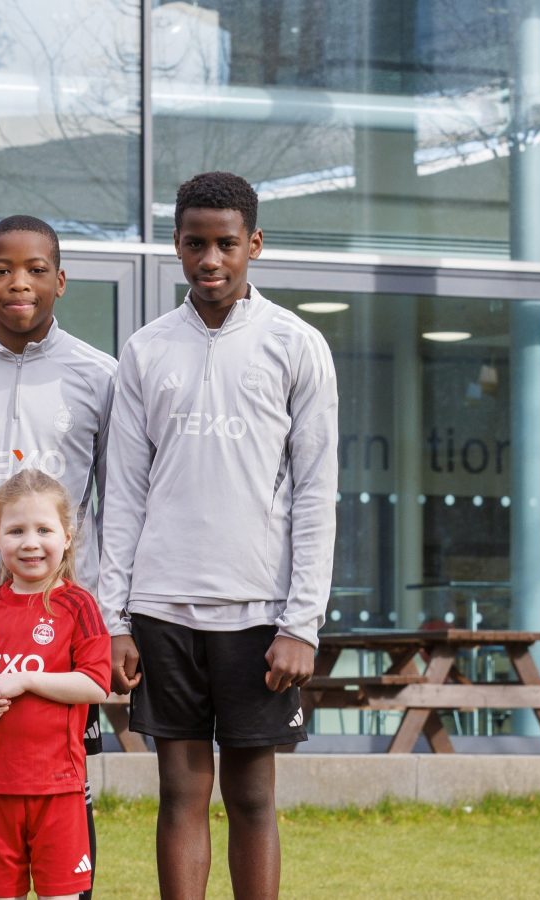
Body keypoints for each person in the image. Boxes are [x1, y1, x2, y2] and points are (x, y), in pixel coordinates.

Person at [98, 171, 338, 900]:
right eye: (196, 243)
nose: (211, 259)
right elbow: (124, 494)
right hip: (162, 608)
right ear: (176, 246)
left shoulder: (297, 346)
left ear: (254, 245)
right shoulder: (145, 351)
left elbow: (318, 493)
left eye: (226, 244)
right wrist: (114, 619)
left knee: (254, 797)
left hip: (260, 615)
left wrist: (303, 622)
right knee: (179, 793)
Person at [0, 214, 118, 897]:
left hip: (63, 625)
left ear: (60, 280)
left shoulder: (101, 376)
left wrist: (108, 614)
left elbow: (114, 501)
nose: (19, 283)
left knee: (68, 786)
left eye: (37, 269)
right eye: (2, 269)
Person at [0, 470, 111, 900]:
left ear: (68, 536)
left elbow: (96, 683)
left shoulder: (79, 606)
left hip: (57, 788)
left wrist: (26, 680)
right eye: (16, 530)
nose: (30, 542)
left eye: (44, 529)